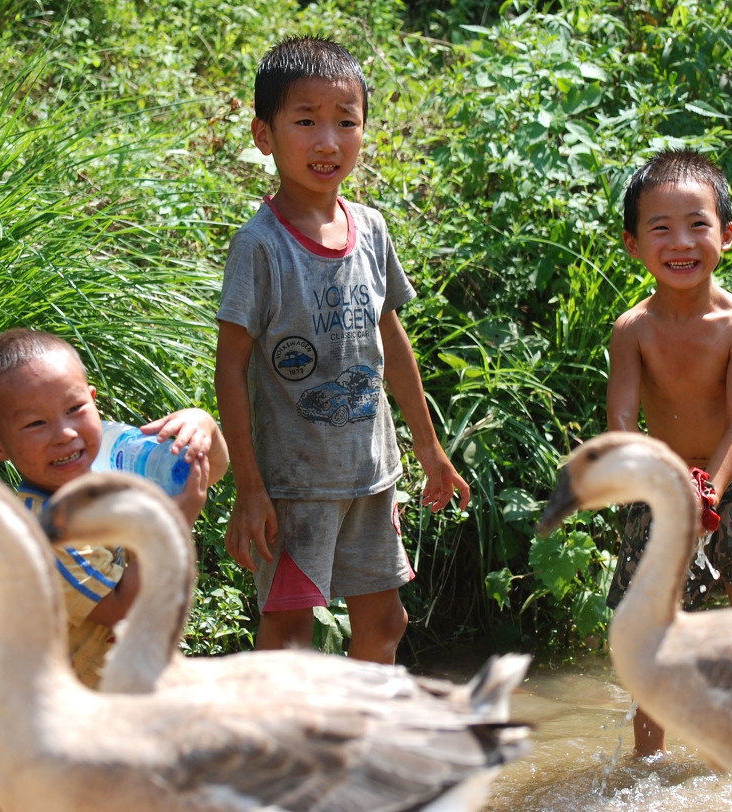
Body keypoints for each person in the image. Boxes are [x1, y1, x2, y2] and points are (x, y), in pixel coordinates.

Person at [215, 36, 469, 666]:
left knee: (384, 625)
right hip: (293, 486)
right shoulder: (261, 246)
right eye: (305, 122)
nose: (327, 142)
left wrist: (429, 448)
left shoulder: (372, 229)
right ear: (265, 135)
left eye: (345, 122)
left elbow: (391, 338)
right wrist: (249, 487)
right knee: (289, 639)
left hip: (370, 474)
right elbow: (231, 365)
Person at [0, 328, 227, 810]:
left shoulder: (110, 467)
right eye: (35, 424)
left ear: (93, 400)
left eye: (74, 410)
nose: (64, 433)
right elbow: (123, 606)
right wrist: (170, 523)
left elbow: (211, 468)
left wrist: (203, 428)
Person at [606, 148, 732, 757]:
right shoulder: (632, 330)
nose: (680, 241)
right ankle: (648, 761)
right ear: (633, 243)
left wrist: (710, 486)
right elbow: (620, 422)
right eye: (660, 227)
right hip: (661, 483)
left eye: (698, 224)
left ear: (727, 235)